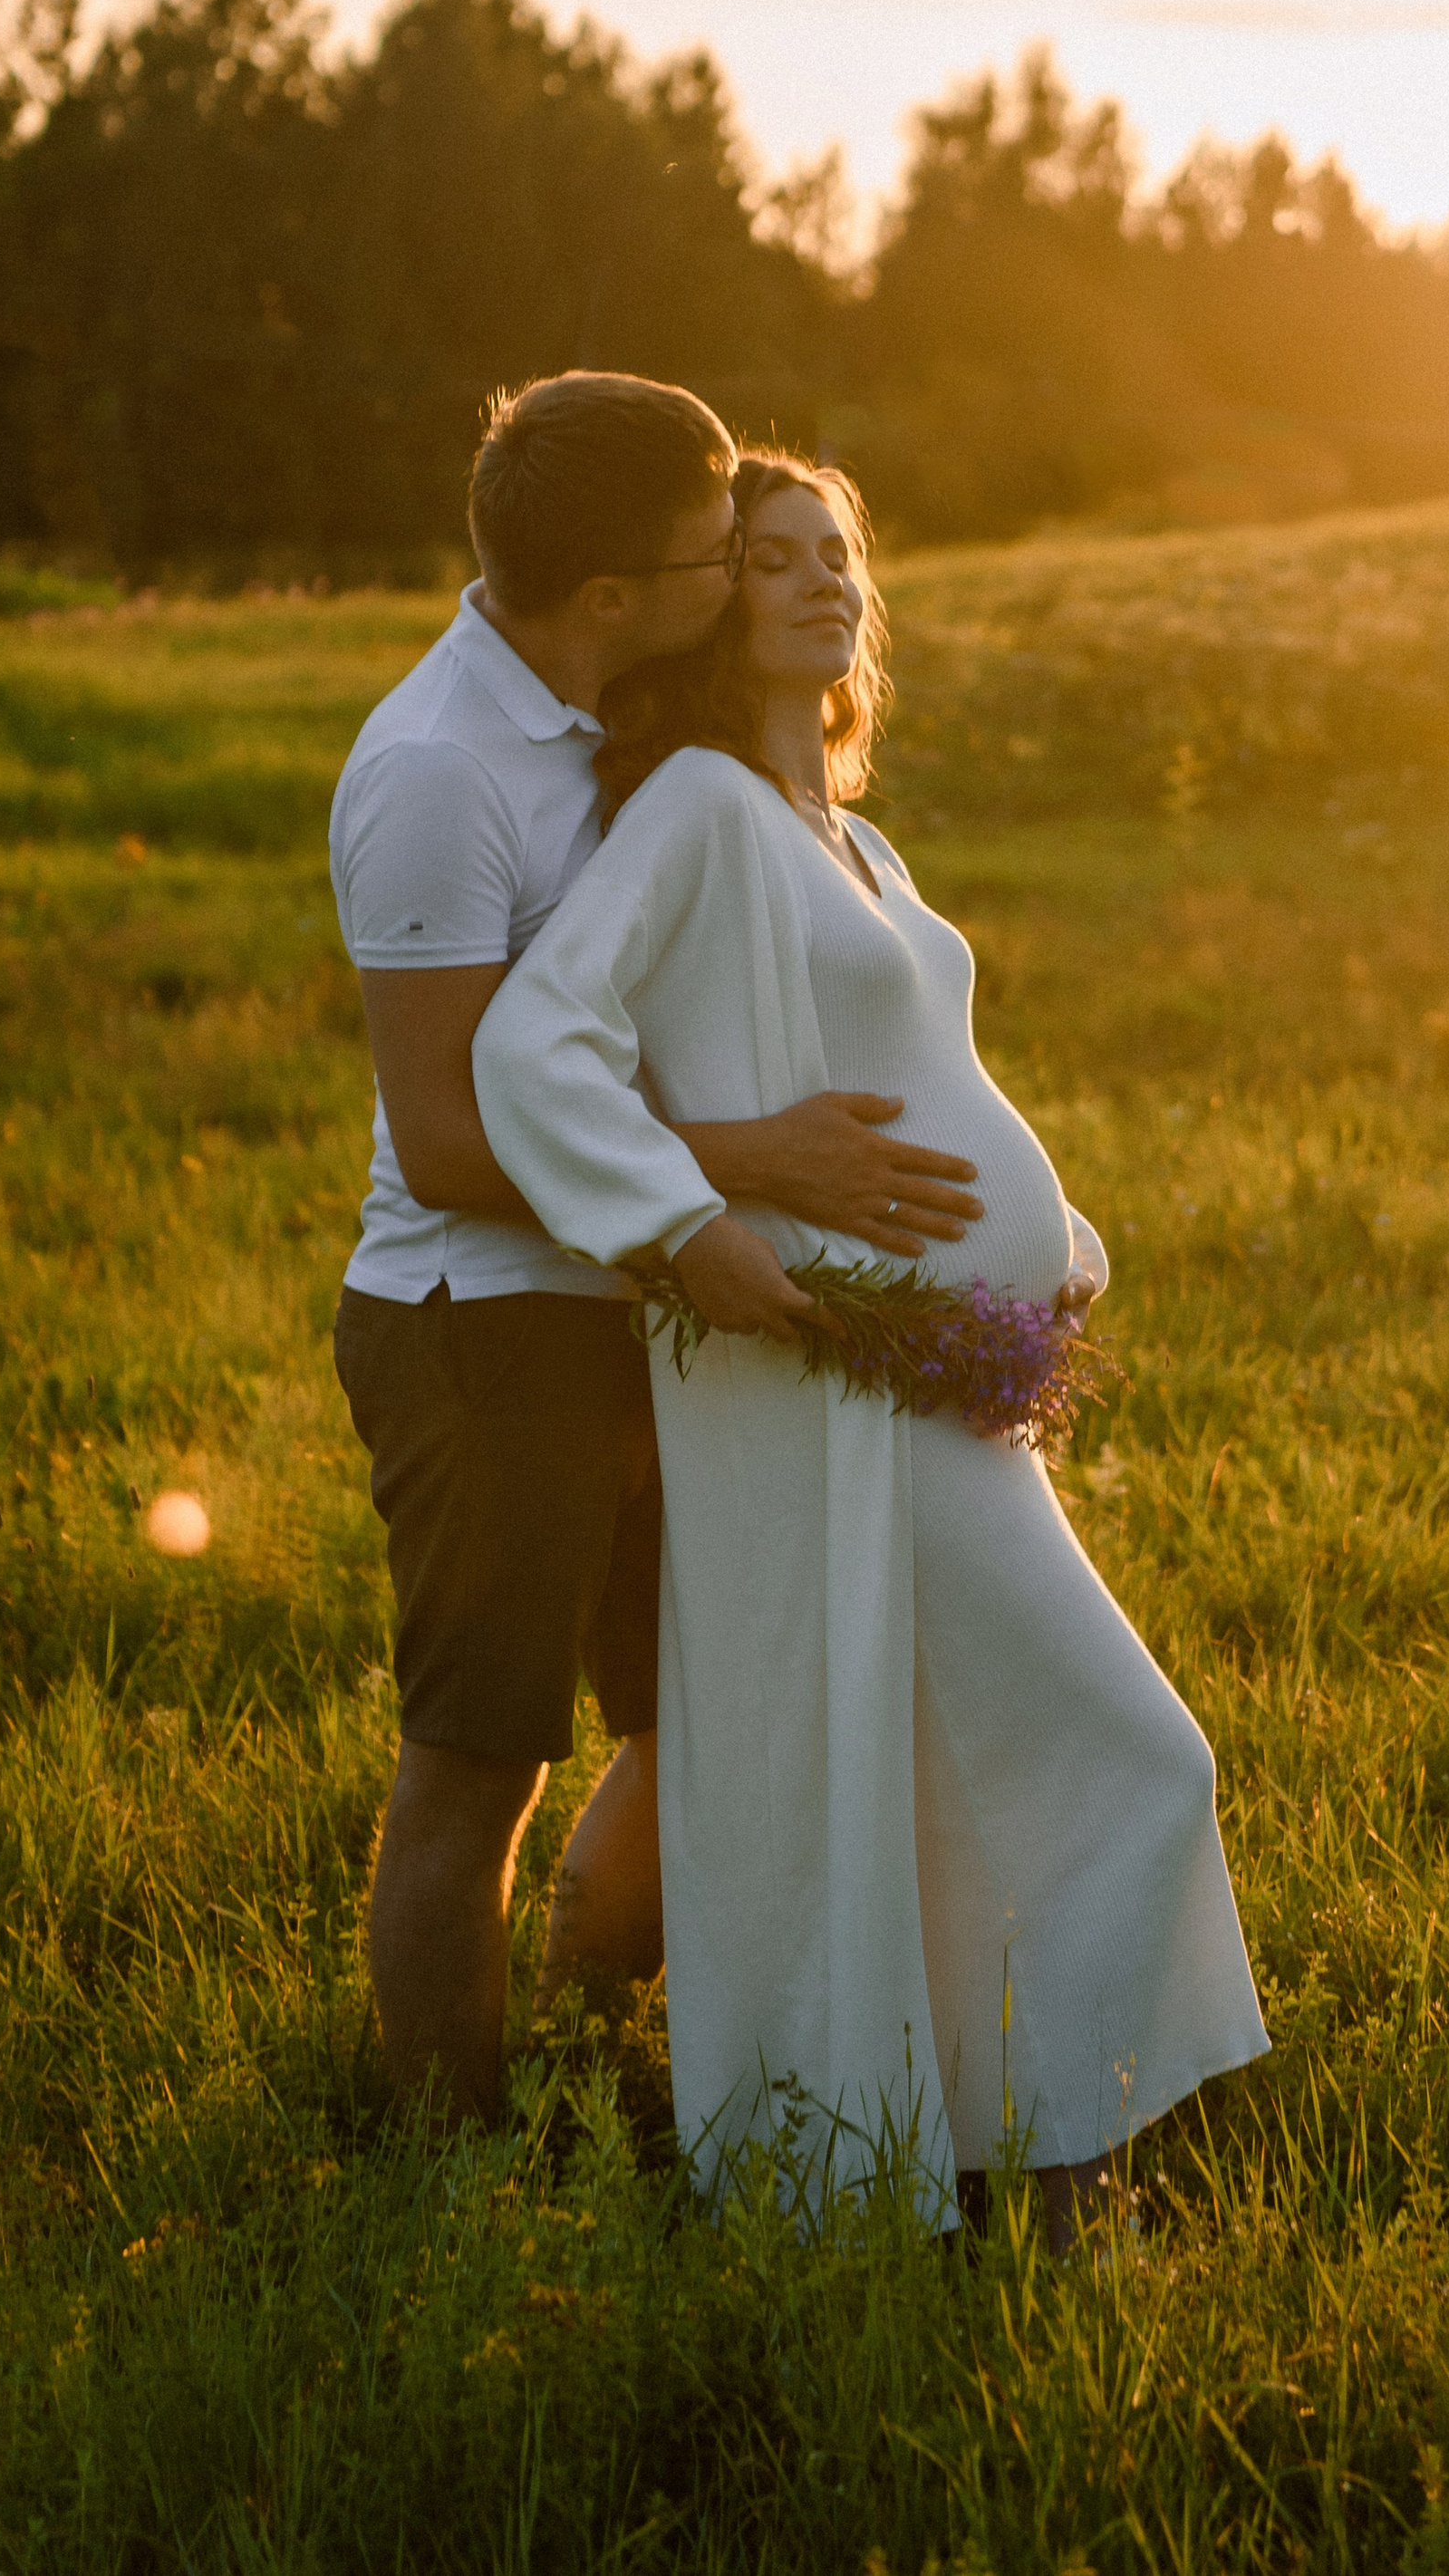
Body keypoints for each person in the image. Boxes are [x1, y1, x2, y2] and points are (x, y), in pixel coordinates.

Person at [472, 451, 1269, 2241]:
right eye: (771, 557)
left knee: (955, 1772)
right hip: (831, 1376)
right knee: (1124, 1751)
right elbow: (536, 1046)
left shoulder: (854, 831)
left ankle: (1014, 2161)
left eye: (838, 553)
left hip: (959, 1382)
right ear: (705, 599)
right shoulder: (689, 812)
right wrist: (686, 1228)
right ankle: (1054, 2171)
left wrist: (1053, 1249)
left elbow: (936, 1081)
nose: (821, 581)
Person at [329, 373, 989, 2121]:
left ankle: (633, 2050)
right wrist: (737, 1173)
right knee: (481, 1767)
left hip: (649, 1307)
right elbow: (453, 1139)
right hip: (490, 1326)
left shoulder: (622, 728)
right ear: (611, 594)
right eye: (720, 554)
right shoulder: (433, 776)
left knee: (704, 1707)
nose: (745, 571)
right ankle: (444, 2166)